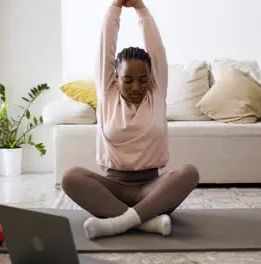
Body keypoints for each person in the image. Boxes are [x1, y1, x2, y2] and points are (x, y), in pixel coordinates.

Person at [61, 0, 200, 240]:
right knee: (70, 177)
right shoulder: (107, 92)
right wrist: (115, 7)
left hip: (151, 188)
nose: (136, 87)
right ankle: (146, 222)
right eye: (128, 80)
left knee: (189, 172)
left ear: (151, 78)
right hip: (112, 188)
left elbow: (156, 50)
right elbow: (106, 45)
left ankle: (119, 222)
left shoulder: (156, 93)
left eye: (143, 79)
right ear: (116, 77)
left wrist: (140, 8)